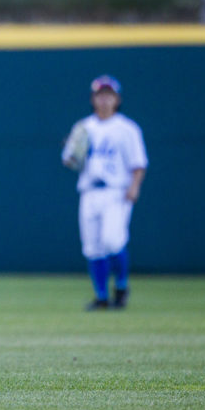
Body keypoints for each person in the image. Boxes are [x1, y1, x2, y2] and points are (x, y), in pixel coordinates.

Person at [62, 75, 148, 310]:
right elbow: (69, 161)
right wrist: (71, 154)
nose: (104, 100)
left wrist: (134, 186)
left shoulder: (127, 128)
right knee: (92, 247)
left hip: (116, 191)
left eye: (109, 95)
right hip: (89, 191)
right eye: (100, 95)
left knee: (112, 241)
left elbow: (138, 163)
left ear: (117, 99)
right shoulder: (83, 127)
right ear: (93, 98)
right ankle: (101, 297)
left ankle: (121, 286)